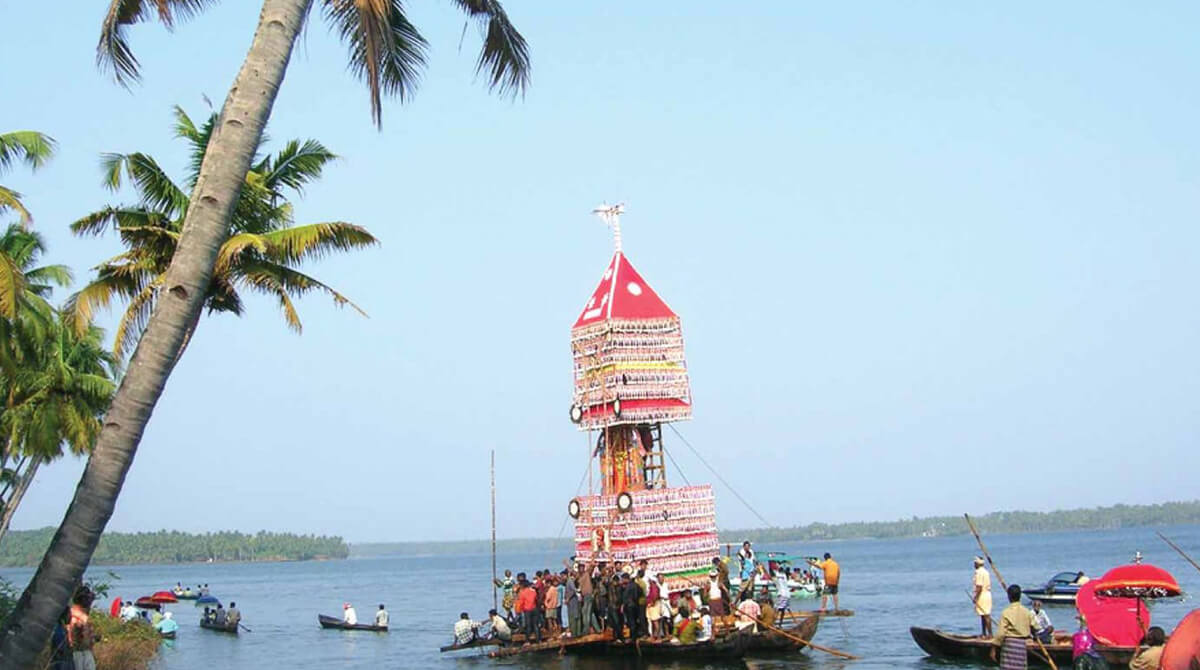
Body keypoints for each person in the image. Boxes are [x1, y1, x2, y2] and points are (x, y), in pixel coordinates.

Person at [991, 584, 1034, 670]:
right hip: (1021, 645)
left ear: (1009, 597)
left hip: (1009, 645)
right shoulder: (1027, 612)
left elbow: (1000, 634)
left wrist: (993, 648)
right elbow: (1034, 627)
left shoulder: (1006, 612)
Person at [67, 587, 100, 670]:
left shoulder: (72, 612)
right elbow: (80, 637)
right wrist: (93, 638)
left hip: (77, 651)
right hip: (80, 651)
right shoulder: (80, 617)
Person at [972, 556, 994, 638]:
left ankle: (990, 634)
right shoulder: (985, 571)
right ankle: (984, 633)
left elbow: (979, 586)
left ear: (977, 563)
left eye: (975, 563)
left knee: (986, 615)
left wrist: (975, 597)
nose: (974, 564)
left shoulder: (979, 573)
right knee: (983, 615)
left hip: (983, 595)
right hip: (986, 594)